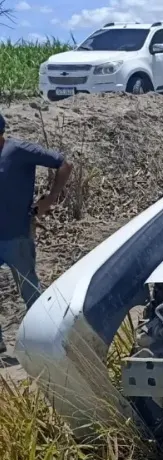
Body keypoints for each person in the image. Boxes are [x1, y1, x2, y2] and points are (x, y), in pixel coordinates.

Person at [0, 112, 73, 354]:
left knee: (29, 289)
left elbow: (64, 164)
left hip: (17, 237)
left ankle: (49, 339)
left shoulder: (18, 151)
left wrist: (50, 199)